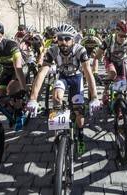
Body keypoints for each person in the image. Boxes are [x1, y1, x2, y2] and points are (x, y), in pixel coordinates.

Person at [26, 24, 101, 155]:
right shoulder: (52, 50)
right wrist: (33, 99)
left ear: (73, 39)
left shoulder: (80, 50)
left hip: (77, 78)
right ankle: (59, 130)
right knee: (56, 97)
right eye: (60, 38)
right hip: (63, 77)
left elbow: (88, 73)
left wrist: (94, 97)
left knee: (79, 111)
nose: (63, 42)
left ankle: (81, 136)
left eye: (67, 39)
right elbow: (42, 73)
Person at [93, 20, 127, 105]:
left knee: (123, 87)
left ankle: (120, 104)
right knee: (113, 73)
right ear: (116, 31)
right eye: (121, 35)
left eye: (126, 36)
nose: (123, 38)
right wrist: (95, 72)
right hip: (109, 60)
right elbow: (96, 57)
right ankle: (106, 91)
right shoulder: (109, 39)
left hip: (120, 61)